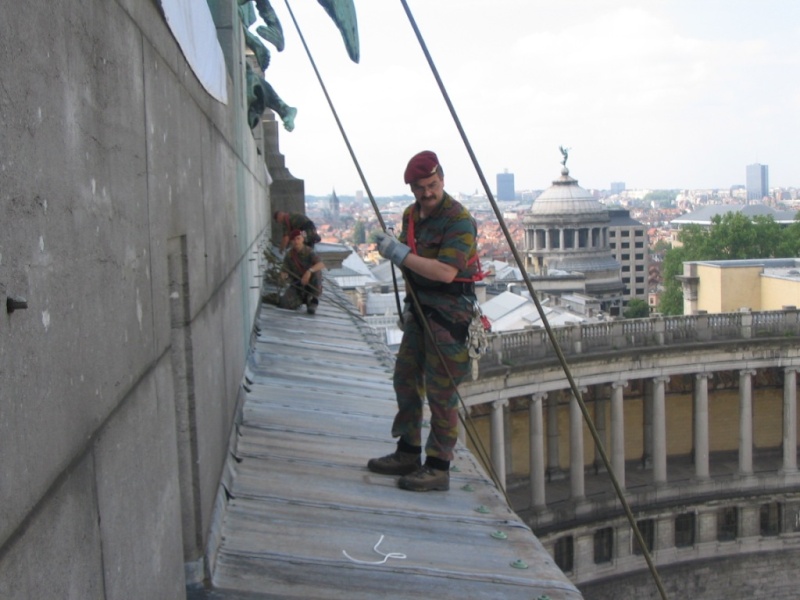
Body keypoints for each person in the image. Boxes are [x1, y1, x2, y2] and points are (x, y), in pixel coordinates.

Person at [367, 150, 480, 492]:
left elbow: (446, 272)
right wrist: (408, 304)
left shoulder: (459, 220)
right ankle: (408, 450)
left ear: (442, 179)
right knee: (404, 377)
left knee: (441, 391)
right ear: (412, 189)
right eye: (420, 187)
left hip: (449, 316)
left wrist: (400, 253)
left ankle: (438, 466)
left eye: (432, 185)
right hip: (420, 311)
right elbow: (411, 268)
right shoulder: (410, 216)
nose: (427, 193)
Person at [278, 229, 324, 314]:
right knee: (284, 303)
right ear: (291, 241)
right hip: (298, 284)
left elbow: (321, 264)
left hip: (310, 282)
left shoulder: (309, 251)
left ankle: (313, 300)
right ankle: (302, 300)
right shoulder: (289, 255)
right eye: (294, 239)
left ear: (302, 239)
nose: (296, 241)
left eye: (298, 238)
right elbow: (284, 269)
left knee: (317, 272)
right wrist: (283, 276)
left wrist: (309, 271)